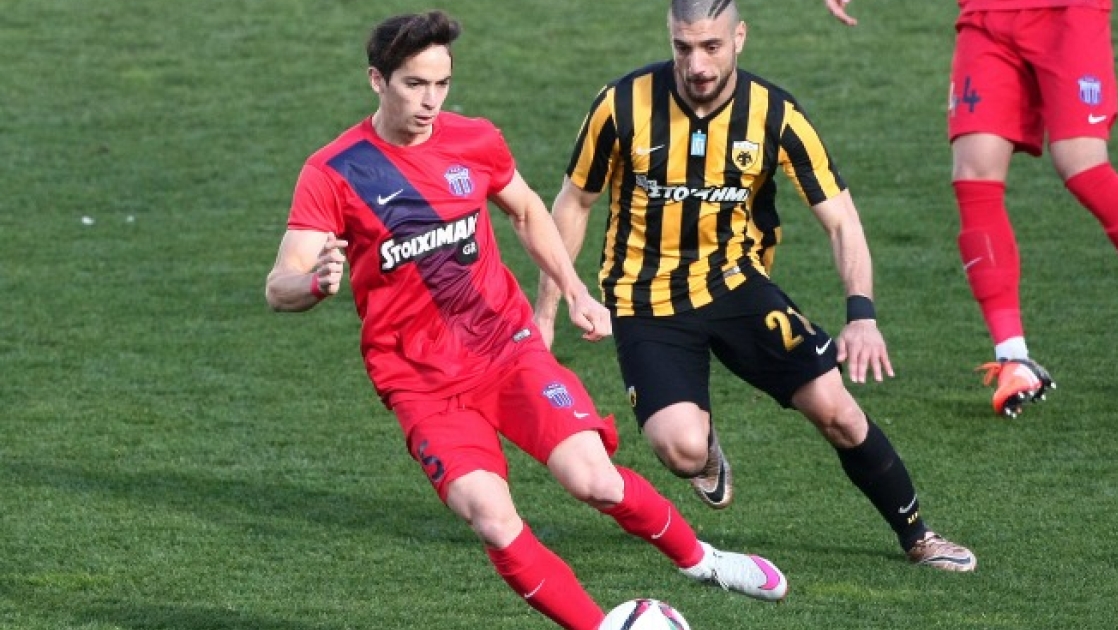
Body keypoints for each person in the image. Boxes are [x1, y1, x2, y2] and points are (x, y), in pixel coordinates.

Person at [264, 11, 789, 630]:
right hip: (421, 384)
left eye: (442, 84)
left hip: (505, 348)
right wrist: (314, 283)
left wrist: (573, 290)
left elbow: (527, 209)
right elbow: (278, 285)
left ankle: (703, 560)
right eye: (414, 85)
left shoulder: (475, 140)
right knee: (492, 519)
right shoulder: (334, 171)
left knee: (594, 480)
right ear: (377, 81)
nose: (430, 101)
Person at [533, 0, 976, 572]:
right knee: (681, 450)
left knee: (836, 411)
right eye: (683, 48)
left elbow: (841, 219)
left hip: (736, 286)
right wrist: (549, 311)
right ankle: (705, 450)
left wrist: (862, 314)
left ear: (739, 37)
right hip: (645, 300)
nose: (697, 65)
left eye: (711, 47)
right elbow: (574, 203)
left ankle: (919, 535)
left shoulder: (774, 113)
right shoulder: (621, 104)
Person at [828, 0, 1118, 416]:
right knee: (974, 177)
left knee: (1083, 168)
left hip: (1068, 13)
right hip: (986, 17)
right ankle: (1014, 360)